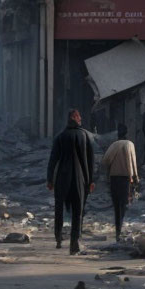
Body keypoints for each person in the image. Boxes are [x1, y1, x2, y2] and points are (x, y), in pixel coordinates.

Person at [47, 109, 96, 254]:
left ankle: (58, 237)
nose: (80, 118)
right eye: (79, 116)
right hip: (80, 178)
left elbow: (53, 160)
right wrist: (90, 180)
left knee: (59, 208)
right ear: (74, 117)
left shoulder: (60, 137)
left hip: (62, 177)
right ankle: (74, 242)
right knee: (77, 210)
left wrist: (50, 179)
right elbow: (90, 161)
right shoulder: (85, 136)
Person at [100, 124, 139, 242]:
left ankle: (118, 231)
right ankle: (121, 231)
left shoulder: (114, 145)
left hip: (113, 179)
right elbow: (133, 162)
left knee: (116, 206)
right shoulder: (130, 144)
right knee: (124, 205)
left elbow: (105, 160)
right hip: (126, 179)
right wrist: (136, 178)